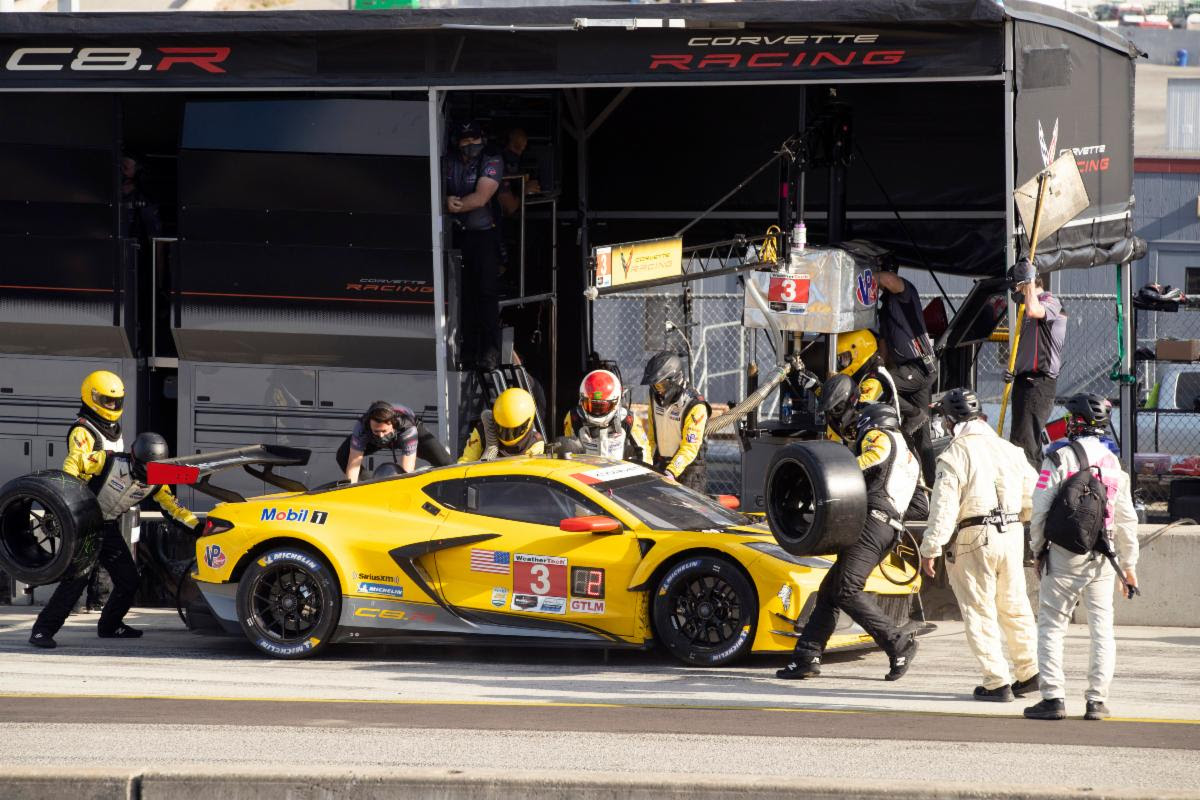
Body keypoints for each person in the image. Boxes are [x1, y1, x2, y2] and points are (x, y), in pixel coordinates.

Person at [777, 398, 921, 682]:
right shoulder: (910, 456)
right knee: (830, 589)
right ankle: (806, 656)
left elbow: (863, 463)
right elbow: (920, 506)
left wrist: (824, 477)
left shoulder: (881, 437)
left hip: (873, 522)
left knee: (846, 588)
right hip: (888, 527)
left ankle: (898, 643)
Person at [919, 388, 1040, 702]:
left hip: (973, 536)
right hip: (1012, 532)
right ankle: (1029, 673)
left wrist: (931, 548)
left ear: (949, 420)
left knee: (979, 610)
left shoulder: (954, 454)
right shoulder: (1010, 450)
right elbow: (1033, 494)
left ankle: (996, 681)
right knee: (1015, 606)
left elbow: (943, 508)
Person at [1024, 393, 1139, 722]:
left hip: (1063, 553)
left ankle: (1053, 698)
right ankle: (1096, 701)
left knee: (1052, 625)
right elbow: (1126, 518)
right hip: (1103, 555)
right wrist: (1128, 566)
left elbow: (1040, 510)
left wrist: (1037, 550)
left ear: (1076, 423)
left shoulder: (1058, 457)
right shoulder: (1114, 463)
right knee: (1102, 628)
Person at [29, 433, 200, 649]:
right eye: (145, 467)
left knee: (129, 580)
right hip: (84, 524)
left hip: (108, 527)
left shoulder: (159, 481)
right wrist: (67, 493)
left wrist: (199, 527)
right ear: (133, 456)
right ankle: (41, 631)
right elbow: (75, 460)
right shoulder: (109, 460)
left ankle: (110, 626)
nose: (149, 473)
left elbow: (174, 508)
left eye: (154, 468)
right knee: (77, 580)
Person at [445, 120, 504, 371]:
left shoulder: (491, 160)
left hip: (484, 236)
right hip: (456, 236)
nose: (471, 144)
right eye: (466, 139)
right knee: (463, 296)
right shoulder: (448, 160)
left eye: (475, 138)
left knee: (487, 294)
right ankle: (467, 351)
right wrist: (443, 200)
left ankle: (490, 352)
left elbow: (481, 197)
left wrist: (451, 204)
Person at [876, 264, 938, 481]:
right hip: (908, 370)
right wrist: (881, 368)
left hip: (920, 366)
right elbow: (884, 347)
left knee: (877, 386)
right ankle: (929, 486)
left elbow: (889, 280)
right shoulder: (883, 309)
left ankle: (914, 413)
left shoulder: (905, 292)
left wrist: (863, 277)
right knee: (922, 436)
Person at [1007, 260, 1068, 467]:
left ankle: (1033, 494)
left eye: (1016, 286)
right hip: (1025, 380)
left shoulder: (1049, 301)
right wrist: (1014, 371)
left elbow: (1036, 311)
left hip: (1039, 383)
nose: (1014, 292)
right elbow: (1027, 347)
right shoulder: (1025, 308)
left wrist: (1029, 281)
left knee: (1027, 444)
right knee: (1017, 442)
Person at [641, 352, 710, 492]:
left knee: (687, 512)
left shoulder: (695, 405)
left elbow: (690, 448)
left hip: (689, 470)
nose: (657, 391)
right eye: (654, 386)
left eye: (661, 385)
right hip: (661, 464)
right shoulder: (654, 397)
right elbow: (651, 437)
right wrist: (646, 464)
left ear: (675, 379)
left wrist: (671, 472)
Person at [336, 401, 453, 483]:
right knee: (343, 456)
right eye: (377, 431)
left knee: (447, 463)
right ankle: (370, 484)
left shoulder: (407, 427)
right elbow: (353, 466)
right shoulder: (362, 428)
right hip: (372, 438)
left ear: (392, 425)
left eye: (383, 431)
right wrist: (350, 488)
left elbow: (407, 473)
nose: (381, 436)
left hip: (406, 432)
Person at [562, 369, 649, 462]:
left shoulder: (628, 419)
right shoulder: (574, 417)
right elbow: (569, 452)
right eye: (592, 406)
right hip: (583, 472)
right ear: (582, 400)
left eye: (602, 407)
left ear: (616, 401)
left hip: (617, 473)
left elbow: (644, 453)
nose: (597, 412)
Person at [459, 388, 545, 462]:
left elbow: (526, 473)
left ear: (527, 424)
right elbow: (465, 462)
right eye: (501, 428)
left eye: (513, 431)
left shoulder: (535, 443)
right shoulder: (482, 431)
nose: (506, 435)